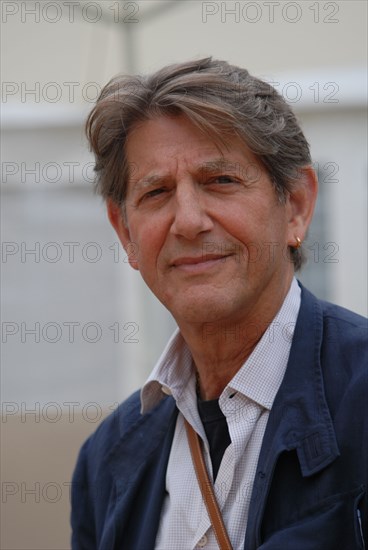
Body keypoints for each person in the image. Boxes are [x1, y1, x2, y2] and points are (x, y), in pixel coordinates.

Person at [71, 58, 367, 549]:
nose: (187, 221)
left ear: (295, 204)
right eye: (157, 191)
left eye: (221, 181)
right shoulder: (107, 461)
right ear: (125, 232)